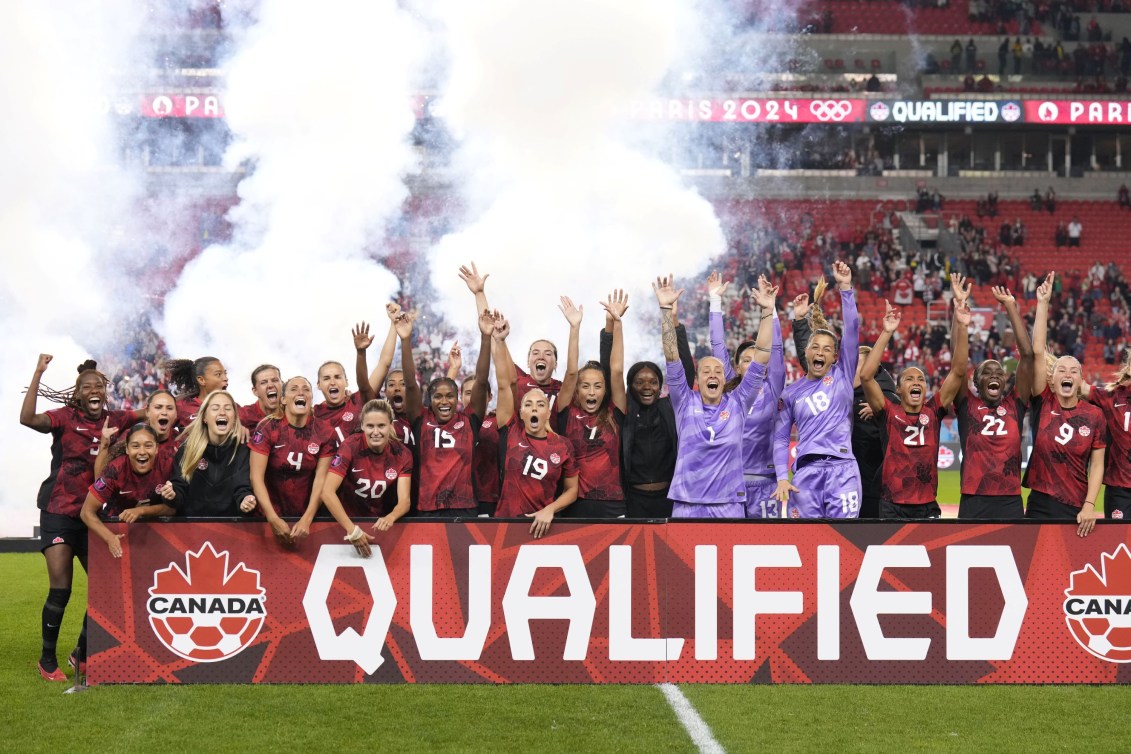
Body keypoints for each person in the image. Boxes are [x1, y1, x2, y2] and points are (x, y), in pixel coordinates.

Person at [20, 355, 137, 681]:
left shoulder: (116, 418)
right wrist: (38, 372)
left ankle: (80, 653)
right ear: (78, 394)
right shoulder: (64, 418)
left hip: (93, 517)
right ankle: (47, 660)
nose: (95, 389)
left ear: (105, 391)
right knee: (62, 589)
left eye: (99, 385)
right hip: (58, 512)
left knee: (106, 589)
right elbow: (26, 418)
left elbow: (155, 412)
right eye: (88, 386)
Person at [655, 273, 776, 518]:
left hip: (728, 504)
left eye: (718, 371)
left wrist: (768, 312)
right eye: (706, 371)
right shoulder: (684, 401)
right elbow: (671, 355)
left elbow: (762, 354)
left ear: (724, 378)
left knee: (727, 559)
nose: (712, 374)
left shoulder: (739, 402)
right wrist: (666, 309)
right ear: (697, 379)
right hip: (687, 503)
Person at [860, 280, 971, 519]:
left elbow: (959, 371)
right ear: (898, 390)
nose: (917, 383)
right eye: (909, 379)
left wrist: (962, 327)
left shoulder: (933, 410)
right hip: (892, 505)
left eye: (921, 380)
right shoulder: (888, 411)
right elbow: (866, 375)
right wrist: (887, 332)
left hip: (927, 505)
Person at [791, 281, 897, 518]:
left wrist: (882, 408)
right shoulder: (834, 383)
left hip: (872, 479)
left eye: (860, 362)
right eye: (852, 361)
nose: (851, 366)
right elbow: (809, 359)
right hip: (840, 468)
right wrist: (799, 322)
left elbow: (894, 409)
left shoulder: (883, 392)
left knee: (856, 538)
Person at [773, 261, 861, 518]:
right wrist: (781, 477)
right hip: (805, 474)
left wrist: (845, 288)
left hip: (843, 469)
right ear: (806, 352)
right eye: (815, 347)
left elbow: (853, 332)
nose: (820, 352)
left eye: (826, 349)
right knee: (806, 544)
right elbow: (780, 438)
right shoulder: (791, 394)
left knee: (847, 541)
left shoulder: (843, 374)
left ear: (835, 356)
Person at [1025, 272, 1105, 536]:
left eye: (1073, 370)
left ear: (1081, 379)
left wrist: (1090, 505)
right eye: (1061, 369)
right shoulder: (1042, 402)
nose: (1067, 374)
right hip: (1039, 502)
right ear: (1052, 378)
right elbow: (1037, 352)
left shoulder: (1094, 415)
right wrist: (1043, 303)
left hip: (1075, 507)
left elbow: (1097, 465)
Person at [706, 272, 786, 518]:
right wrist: (715, 301)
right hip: (731, 483)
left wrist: (770, 310)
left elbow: (776, 349)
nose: (753, 365)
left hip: (765, 482)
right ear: (737, 367)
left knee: (766, 548)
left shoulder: (772, 389)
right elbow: (718, 346)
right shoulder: (730, 392)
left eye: (757, 360)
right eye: (746, 361)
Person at [491, 311, 579, 538]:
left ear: (550, 410)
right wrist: (499, 339)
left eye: (540, 404)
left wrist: (550, 509)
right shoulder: (511, 431)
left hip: (545, 524)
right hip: (506, 522)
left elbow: (572, 490)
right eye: (528, 404)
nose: (534, 408)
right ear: (519, 410)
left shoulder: (562, 446)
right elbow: (503, 383)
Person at [405, 307, 492, 516]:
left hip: (465, 508)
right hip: (427, 508)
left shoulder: (470, 421)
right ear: (430, 401)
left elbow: (481, 381)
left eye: (450, 396)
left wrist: (486, 337)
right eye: (438, 397)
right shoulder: (421, 420)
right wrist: (405, 340)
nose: (445, 401)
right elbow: (410, 385)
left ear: (458, 399)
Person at [555, 291, 629, 518]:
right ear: (577, 390)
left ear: (605, 390)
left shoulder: (614, 413)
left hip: (613, 502)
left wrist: (617, 323)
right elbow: (570, 372)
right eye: (585, 386)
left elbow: (616, 371)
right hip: (575, 502)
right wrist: (574, 328)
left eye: (597, 386)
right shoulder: (567, 412)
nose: (591, 391)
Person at [320, 399, 413, 557]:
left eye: (381, 426)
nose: (375, 432)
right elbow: (327, 492)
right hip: (343, 524)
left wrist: (391, 516)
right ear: (362, 425)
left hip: (375, 525)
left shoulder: (402, 454)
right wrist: (352, 530)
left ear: (391, 426)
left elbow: (404, 501)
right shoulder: (350, 446)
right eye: (370, 426)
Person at [461, 261, 562, 403]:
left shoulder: (564, 391)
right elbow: (495, 346)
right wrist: (479, 294)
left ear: (556, 364)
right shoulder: (518, 381)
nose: (541, 357)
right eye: (535, 353)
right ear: (528, 362)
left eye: (548, 353)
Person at [249, 377, 335, 544]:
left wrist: (307, 519)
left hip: (307, 515)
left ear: (311, 398)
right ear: (283, 399)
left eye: (306, 389)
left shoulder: (325, 431)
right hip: (267, 514)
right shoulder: (267, 428)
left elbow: (321, 480)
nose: (301, 392)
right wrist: (272, 518)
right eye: (294, 389)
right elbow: (256, 477)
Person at [80, 423, 177, 558]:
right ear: (127, 449)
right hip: (118, 530)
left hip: (158, 531)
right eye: (135, 446)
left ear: (156, 448)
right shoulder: (115, 470)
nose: (142, 452)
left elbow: (173, 508)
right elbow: (86, 512)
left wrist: (140, 511)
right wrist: (109, 538)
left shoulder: (170, 464)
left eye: (148, 445)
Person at [169, 390, 256, 517]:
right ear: (204, 417)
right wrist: (171, 495)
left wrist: (245, 501)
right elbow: (179, 490)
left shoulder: (244, 450)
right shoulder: (187, 450)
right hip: (191, 529)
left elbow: (242, 488)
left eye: (228, 408)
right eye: (215, 408)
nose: (222, 412)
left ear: (235, 418)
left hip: (233, 528)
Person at [1077, 348, 1131, 521]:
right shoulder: (1112, 397)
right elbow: (1081, 387)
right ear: (1128, 369)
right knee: (1119, 542)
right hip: (1120, 490)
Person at [314, 322, 378, 447]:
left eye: (338, 377)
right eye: (326, 378)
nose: (332, 382)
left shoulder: (358, 401)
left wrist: (361, 353)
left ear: (346, 382)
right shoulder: (314, 414)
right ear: (318, 384)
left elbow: (384, 364)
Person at [94, 389, 178, 477]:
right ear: (147, 412)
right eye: (158, 407)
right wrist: (104, 447)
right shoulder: (130, 436)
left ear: (176, 413)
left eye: (169, 408)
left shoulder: (183, 442)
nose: (164, 412)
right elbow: (100, 480)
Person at [163, 356, 228, 428]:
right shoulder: (182, 407)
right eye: (218, 374)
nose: (226, 378)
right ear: (201, 380)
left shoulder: (232, 408)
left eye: (225, 373)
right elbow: (159, 431)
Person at [238, 364, 282, 432]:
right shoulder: (244, 415)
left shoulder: (294, 412)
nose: (270, 385)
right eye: (263, 383)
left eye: (275, 380)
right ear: (255, 391)